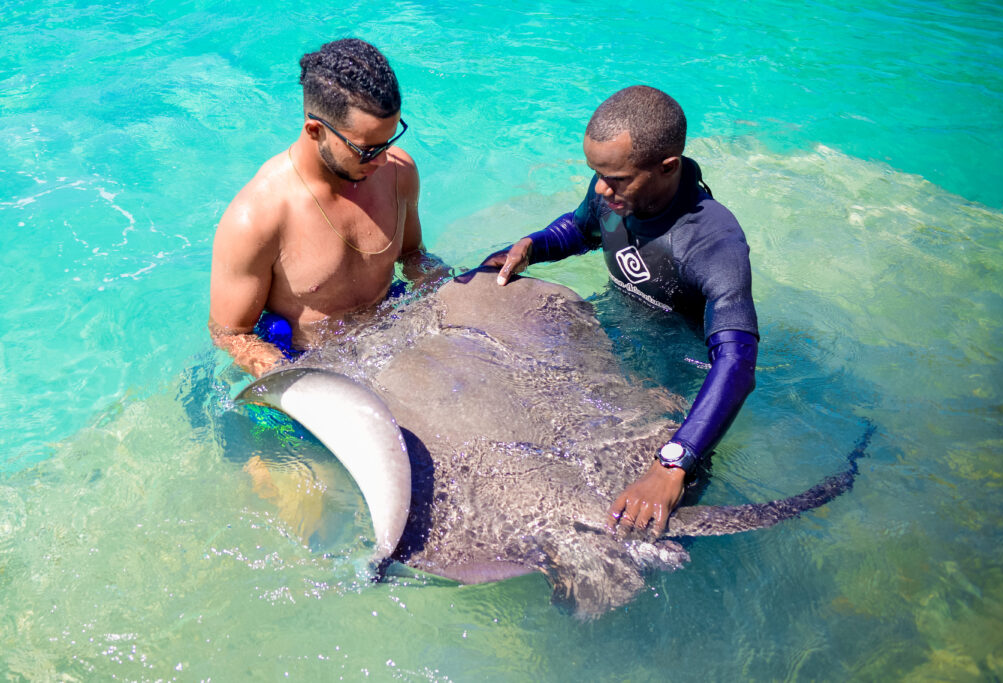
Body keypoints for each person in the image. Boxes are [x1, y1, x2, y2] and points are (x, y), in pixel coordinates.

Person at [483, 85, 759, 537]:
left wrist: (675, 462)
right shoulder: (615, 193)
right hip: (613, 333)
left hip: (673, 376)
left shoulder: (714, 242)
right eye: (595, 172)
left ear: (668, 168)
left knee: (637, 534)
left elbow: (737, 363)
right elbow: (580, 228)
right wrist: (533, 246)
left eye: (615, 177)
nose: (599, 188)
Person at [210, 38, 443, 377]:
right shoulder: (257, 218)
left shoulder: (398, 173)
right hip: (307, 360)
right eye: (367, 149)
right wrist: (288, 375)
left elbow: (413, 257)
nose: (382, 160)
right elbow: (231, 334)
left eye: (390, 141)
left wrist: (450, 290)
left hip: (391, 335)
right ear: (315, 130)